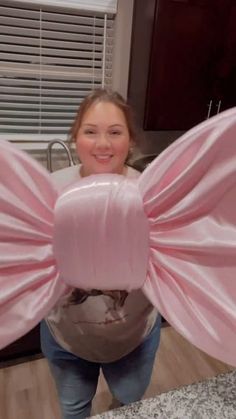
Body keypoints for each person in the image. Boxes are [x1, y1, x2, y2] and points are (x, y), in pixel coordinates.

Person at [40, 88, 161, 419]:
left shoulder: (154, 196)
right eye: (90, 131)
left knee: (128, 404)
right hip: (66, 338)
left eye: (115, 132)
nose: (103, 144)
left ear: (130, 140)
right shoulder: (48, 193)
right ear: (75, 137)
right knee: (74, 408)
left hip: (134, 338)